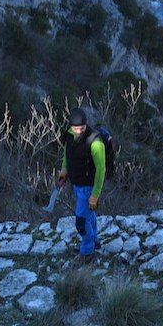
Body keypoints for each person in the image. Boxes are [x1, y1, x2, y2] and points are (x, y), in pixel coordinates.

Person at [58, 107, 106, 261]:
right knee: (89, 215)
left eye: (82, 128)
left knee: (81, 221)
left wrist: (95, 195)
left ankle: (87, 252)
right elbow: (67, 154)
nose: (79, 131)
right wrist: (64, 170)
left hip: (88, 186)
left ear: (86, 125)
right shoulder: (69, 134)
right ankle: (94, 241)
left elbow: (101, 170)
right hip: (76, 184)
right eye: (76, 128)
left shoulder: (95, 142)